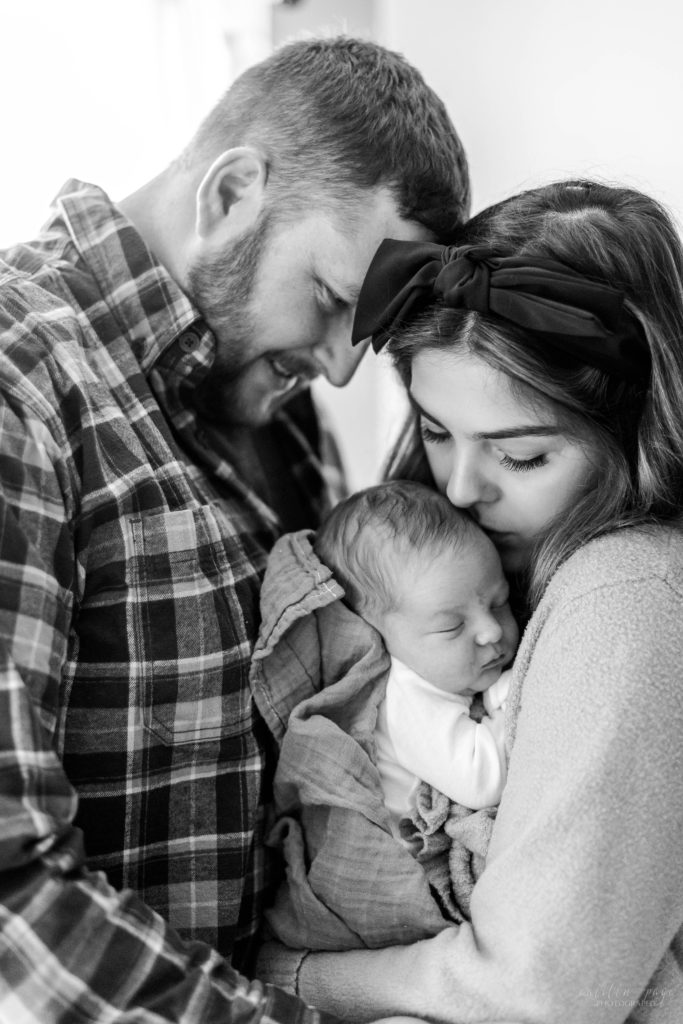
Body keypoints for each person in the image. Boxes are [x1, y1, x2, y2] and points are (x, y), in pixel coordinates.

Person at [0, 34, 469, 1023]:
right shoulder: (22, 383)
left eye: (365, 335)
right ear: (229, 195)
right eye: (333, 301)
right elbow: (11, 887)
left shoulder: (283, 416)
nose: (340, 373)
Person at [255, 180, 683, 1024]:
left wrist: (291, 972)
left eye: (521, 456)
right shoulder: (506, 565)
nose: (456, 486)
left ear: (633, 432)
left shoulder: (625, 591)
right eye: (436, 429)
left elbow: (535, 994)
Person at [250, 481, 517, 953]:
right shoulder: (406, 698)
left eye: (499, 601)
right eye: (451, 625)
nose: (492, 629)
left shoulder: (444, 670)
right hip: (406, 887)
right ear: (379, 634)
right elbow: (483, 779)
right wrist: (509, 692)